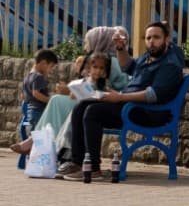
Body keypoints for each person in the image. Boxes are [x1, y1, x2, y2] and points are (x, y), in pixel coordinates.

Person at [63, 21, 185, 182]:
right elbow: (128, 66)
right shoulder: (147, 58)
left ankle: (93, 167)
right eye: (148, 38)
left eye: (156, 37)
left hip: (149, 112)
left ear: (167, 39)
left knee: (93, 112)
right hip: (130, 105)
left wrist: (120, 97)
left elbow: (153, 95)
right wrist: (121, 49)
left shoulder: (169, 64)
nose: (151, 41)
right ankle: (78, 162)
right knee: (82, 106)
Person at [8, 27, 131, 159]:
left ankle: (40, 143)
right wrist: (72, 89)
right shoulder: (99, 59)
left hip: (103, 104)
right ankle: (40, 142)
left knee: (57, 101)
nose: (85, 46)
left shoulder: (110, 62)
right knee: (57, 100)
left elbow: (104, 90)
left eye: (87, 41)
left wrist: (71, 90)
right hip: (92, 101)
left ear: (98, 40)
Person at [18, 48, 55, 128]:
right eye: (51, 66)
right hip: (39, 111)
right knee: (41, 136)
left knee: (36, 136)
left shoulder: (28, 76)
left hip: (31, 112)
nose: (51, 70)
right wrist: (50, 100)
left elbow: (23, 96)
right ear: (43, 63)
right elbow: (36, 93)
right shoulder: (39, 77)